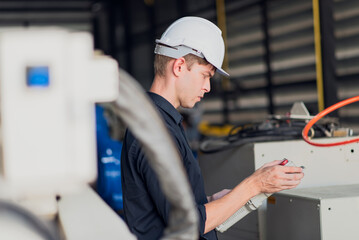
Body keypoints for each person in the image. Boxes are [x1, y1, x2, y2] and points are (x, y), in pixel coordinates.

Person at [121, 16, 304, 240]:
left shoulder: (162, 122)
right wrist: (255, 184)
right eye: (205, 75)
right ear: (179, 66)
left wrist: (211, 201)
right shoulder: (156, 133)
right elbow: (189, 223)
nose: (207, 87)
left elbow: (163, 208)